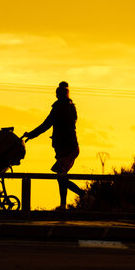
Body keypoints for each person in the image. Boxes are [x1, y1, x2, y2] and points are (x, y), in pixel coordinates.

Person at [22, 81, 84, 210]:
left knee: (61, 176)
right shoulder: (71, 106)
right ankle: (65, 203)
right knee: (61, 176)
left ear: (58, 94)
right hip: (70, 146)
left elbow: (46, 124)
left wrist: (31, 135)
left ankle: (83, 196)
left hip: (66, 148)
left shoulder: (59, 108)